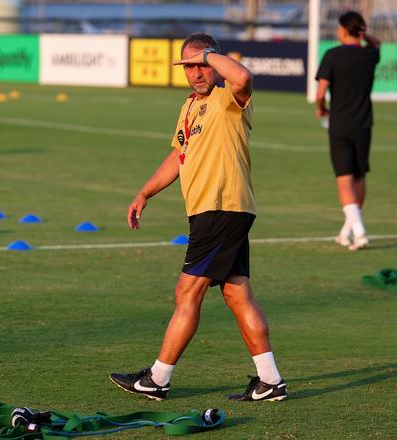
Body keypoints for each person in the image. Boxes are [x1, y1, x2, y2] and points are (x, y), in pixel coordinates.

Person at [109, 33, 286, 402]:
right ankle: (270, 381)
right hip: (212, 212)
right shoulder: (189, 106)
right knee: (238, 295)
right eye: (189, 66)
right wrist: (144, 193)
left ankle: (158, 378)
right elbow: (178, 156)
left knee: (186, 291)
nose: (196, 72)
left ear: (214, 62)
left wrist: (208, 55)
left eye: (202, 64)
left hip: (221, 208)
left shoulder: (230, 98)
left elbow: (243, 78)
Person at [315, 11, 381, 251]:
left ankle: (360, 233)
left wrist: (322, 110)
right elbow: (377, 43)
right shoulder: (369, 54)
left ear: (343, 30)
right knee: (360, 176)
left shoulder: (333, 55)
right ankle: (347, 231)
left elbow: (321, 92)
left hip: (340, 124)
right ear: (360, 31)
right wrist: (365, 34)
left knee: (344, 180)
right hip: (364, 124)